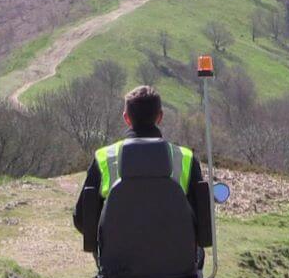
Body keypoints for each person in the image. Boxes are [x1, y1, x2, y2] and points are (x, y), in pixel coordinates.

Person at [73, 85, 206, 243]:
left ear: (126, 118)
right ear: (160, 117)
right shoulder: (185, 158)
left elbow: (82, 219)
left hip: (116, 265)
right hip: (178, 265)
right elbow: (203, 221)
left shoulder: (104, 159)